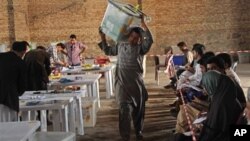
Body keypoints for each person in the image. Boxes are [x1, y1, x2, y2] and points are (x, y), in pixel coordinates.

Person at [98, 17, 153, 141]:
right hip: (122, 85)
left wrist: (144, 25)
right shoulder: (120, 46)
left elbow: (149, 40)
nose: (134, 40)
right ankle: (125, 137)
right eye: (132, 37)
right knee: (124, 112)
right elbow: (107, 50)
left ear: (139, 40)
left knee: (139, 111)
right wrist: (103, 37)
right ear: (129, 36)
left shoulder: (141, 49)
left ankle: (138, 131)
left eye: (137, 38)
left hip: (136, 85)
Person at [199, 70, 246, 141]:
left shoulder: (221, 105)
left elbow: (214, 132)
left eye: (206, 86)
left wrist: (202, 127)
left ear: (212, 84)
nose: (205, 90)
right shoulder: (224, 98)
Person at [0, 41, 27, 122]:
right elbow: (22, 85)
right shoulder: (20, 62)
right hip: (9, 100)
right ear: (23, 52)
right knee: (10, 128)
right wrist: (18, 93)